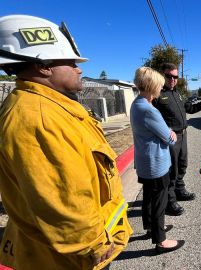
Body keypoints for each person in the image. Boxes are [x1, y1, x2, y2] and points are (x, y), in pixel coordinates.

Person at [0, 15, 132, 269]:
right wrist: (95, 244)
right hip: (71, 259)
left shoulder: (51, 106)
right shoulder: (37, 118)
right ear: (43, 66)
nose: (79, 68)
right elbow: (62, 201)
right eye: (71, 62)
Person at [130, 67, 185, 254]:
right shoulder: (149, 110)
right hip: (156, 163)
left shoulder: (136, 103)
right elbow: (170, 138)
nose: (161, 89)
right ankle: (161, 240)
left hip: (145, 162)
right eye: (160, 86)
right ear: (153, 86)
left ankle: (150, 227)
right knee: (159, 201)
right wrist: (170, 133)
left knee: (148, 198)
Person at [152, 63, 201, 216]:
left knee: (182, 165)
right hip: (170, 138)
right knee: (171, 170)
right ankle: (169, 201)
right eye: (169, 76)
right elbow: (152, 118)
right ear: (163, 76)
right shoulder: (157, 94)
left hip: (183, 134)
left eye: (175, 77)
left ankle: (179, 190)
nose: (173, 79)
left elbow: (191, 109)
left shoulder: (177, 93)